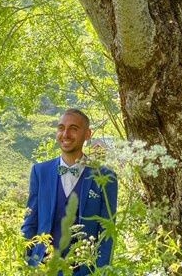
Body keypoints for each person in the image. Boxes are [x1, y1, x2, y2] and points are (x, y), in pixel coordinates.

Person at [22, 108, 118, 273]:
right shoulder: (40, 172)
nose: (65, 134)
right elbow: (31, 222)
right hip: (43, 267)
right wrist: (27, 263)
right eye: (61, 128)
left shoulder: (106, 177)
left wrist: (99, 271)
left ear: (87, 134)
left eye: (73, 129)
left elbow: (107, 233)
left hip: (85, 269)